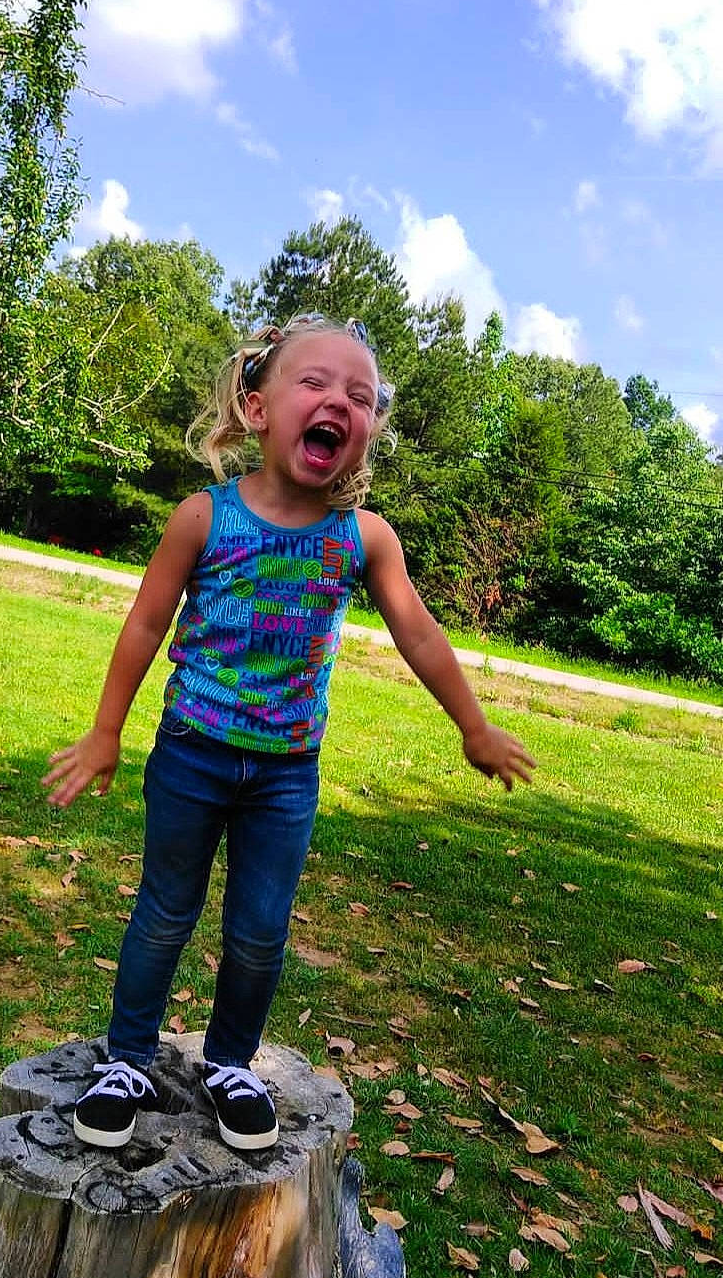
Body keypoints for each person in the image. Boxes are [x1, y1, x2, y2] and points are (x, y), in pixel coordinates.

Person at [42, 313, 535, 1153]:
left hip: (285, 778)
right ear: (258, 405)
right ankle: (126, 1061)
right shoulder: (204, 517)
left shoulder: (363, 538)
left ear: (365, 433)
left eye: (361, 396)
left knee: (261, 931)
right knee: (164, 913)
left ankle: (231, 1062)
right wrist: (104, 732)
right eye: (316, 383)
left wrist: (474, 724)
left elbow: (418, 631)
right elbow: (144, 623)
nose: (339, 402)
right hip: (192, 755)